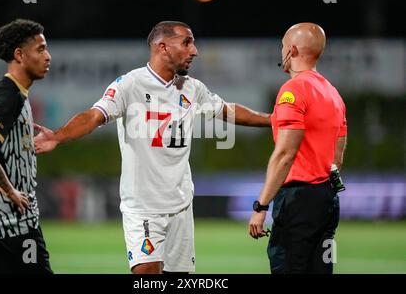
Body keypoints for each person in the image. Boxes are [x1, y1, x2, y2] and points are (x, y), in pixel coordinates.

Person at [34, 21, 271, 274]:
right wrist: (58, 136)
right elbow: (93, 116)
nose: (195, 51)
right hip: (143, 207)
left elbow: (228, 111)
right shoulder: (129, 84)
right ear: (163, 47)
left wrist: (274, 119)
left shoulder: (192, 88)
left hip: (180, 206)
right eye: (187, 42)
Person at [248, 22, 347, 274]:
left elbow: (284, 154)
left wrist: (261, 206)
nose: (281, 52)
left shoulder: (293, 89)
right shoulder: (332, 93)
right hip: (326, 197)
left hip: (298, 200)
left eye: (282, 46)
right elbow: (338, 154)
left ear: (291, 50)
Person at [0, 19, 53, 274]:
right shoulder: (7, 93)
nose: (48, 56)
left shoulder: (18, 94)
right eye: (40, 49)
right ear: (19, 54)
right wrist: (10, 189)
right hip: (8, 219)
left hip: (9, 218)